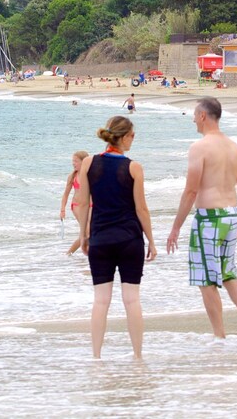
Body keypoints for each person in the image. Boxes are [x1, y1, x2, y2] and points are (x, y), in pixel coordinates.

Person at [166, 97, 237, 342]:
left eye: (195, 115)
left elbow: (190, 191)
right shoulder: (234, 147)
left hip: (208, 219)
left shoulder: (200, 148)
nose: (194, 120)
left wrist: (176, 227)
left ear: (204, 116)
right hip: (230, 215)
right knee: (228, 274)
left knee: (206, 280)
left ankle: (219, 336)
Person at [74, 116, 157, 360]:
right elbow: (141, 209)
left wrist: (83, 235)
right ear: (123, 137)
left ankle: (96, 357)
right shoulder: (134, 167)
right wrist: (151, 240)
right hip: (130, 240)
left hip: (100, 239)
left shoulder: (89, 163)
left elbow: (81, 203)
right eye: (132, 135)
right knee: (132, 300)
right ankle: (138, 356)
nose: (134, 139)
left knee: (101, 301)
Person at [60, 151, 90, 255]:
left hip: (90, 205)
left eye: (76, 161)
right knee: (88, 232)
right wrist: (62, 210)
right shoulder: (72, 176)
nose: (73, 163)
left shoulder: (91, 175)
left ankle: (69, 253)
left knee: (88, 233)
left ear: (84, 162)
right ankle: (94, 255)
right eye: (73, 161)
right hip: (77, 206)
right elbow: (65, 195)